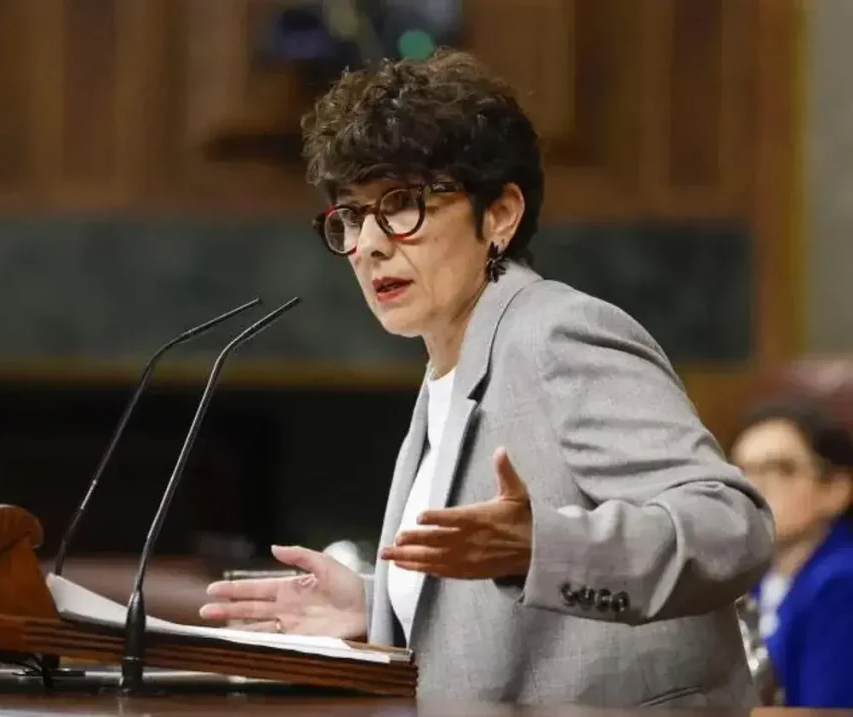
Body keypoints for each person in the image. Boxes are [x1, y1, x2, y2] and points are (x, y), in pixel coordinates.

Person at [199, 48, 774, 705]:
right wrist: (377, 605)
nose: (370, 244)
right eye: (352, 216)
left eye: (402, 205)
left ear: (499, 215)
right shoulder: (450, 369)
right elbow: (490, 601)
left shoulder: (557, 334)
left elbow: (730, 527)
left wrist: (544, 547)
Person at [730, 397, 853, 708]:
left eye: (779, 470)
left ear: (836, 489)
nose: (752, 487)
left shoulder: (842, 584)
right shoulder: (751, 581)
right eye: (741, 472)